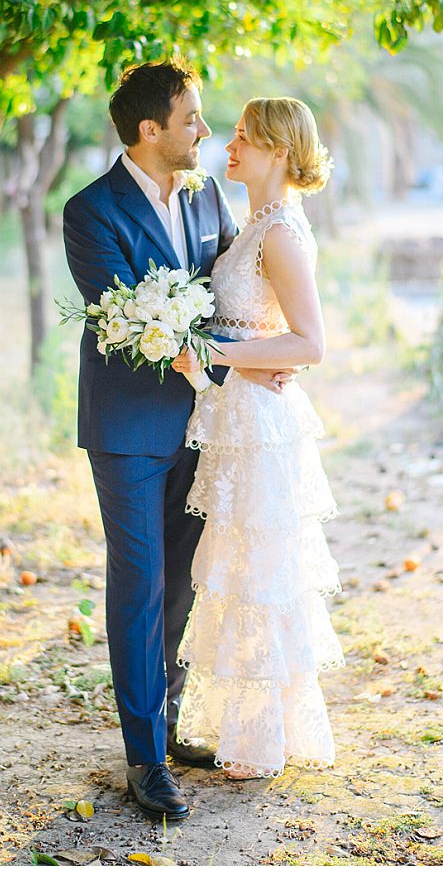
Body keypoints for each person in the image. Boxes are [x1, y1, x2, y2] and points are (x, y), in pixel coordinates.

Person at [62, 62, 294, 821]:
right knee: (139, 582)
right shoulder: (90, 212)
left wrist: (262, 359)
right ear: (149, 130)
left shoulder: (208, 197)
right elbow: (123, 314)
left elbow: (235, 290)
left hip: (206, 427)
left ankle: (167, 724)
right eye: (191, 117)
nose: (204, 129)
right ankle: (143, 757)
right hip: (128, 430)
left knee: (185, 580)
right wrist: (214, 354)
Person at [170, 97, 343, 779]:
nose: (229, 145)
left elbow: (311, 343)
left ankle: (262, 736)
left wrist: (219, 349)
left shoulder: (281, 234)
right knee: (243, 569)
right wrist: (236, 351)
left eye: (244, 137)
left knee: (263, 574)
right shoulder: (256, 224)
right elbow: (267, 336)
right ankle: (250, 728)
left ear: (278, 150)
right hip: (240, 415)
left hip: (264, 425)